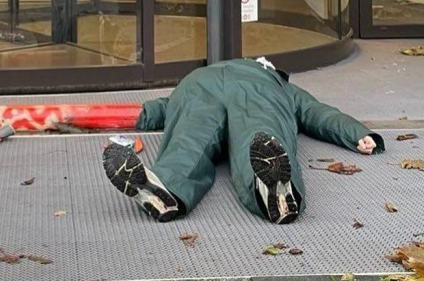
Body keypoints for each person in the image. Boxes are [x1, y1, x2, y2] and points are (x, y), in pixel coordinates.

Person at [103, 57, 383, 225]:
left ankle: (167, 188)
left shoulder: (206, 73)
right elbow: (317, 113)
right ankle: (273, 191)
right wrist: (357, 133)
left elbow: (163, 108)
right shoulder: (280, 84)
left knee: (189, 138)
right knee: (259, 135)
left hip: (197, 85)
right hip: (259, 91)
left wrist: (137, 116)